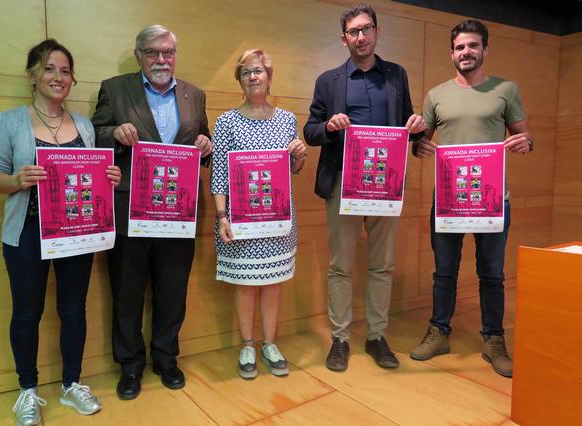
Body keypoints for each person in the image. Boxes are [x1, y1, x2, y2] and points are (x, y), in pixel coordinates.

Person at [0, 39, 121, 426]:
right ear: (33, 76)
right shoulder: (10, 121)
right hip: (26, 233)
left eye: (64, 71)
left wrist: (109, 176)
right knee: (27, 314)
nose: (57, 77)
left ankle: (71, 383)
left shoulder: (85, 125)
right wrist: (16, 179)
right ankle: (27, 390)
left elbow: (92, 177)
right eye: (48, 69)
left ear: (72, 80)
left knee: (73, 311)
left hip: (76, 231)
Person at [91, 24, 212, 398]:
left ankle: (165, 357)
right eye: (153, 52)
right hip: (130, 209)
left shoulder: (195, 94)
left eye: (168, 53)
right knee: (127, 292)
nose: (162, 59)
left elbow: (200, 143)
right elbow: (94, 134)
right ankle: (129, 366)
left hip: (179, 211)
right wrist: (114, 134)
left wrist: (205, 145)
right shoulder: (114, 88)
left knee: (173, 290)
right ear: (139, 55)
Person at [303, 3, 426, 372]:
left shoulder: (396, 75)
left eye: (366, 29)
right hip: (343, 181)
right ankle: (340, 339)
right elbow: (310, 131)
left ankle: (376, 336)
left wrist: (417, 128)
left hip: (384, 183)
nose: (361, 36)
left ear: (376, 32)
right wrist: (328, 127)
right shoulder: (328, 81)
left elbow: (406, 129)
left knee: (382, 265)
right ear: (344, 39)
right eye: (353, 31)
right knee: (340, 266)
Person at [410, 19, 534, 378]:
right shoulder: (435, 95)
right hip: (448, 199)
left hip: (493, 199)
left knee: (492, 274)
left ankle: (493, 340)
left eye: (473, 46)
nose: (466, 52)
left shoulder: (506, 90)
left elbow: (524, 138)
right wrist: (419, 147)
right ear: (452, 53)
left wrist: (527, 144)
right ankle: (439, 331)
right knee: (443, 272)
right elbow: (423, 142)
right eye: (460, 47)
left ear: (485, 49)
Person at [210, 49, 307, 379]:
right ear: (239, 80)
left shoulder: (288, 120)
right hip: (240, 220)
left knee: (274, 282)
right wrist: (222, 216)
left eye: (259, 71)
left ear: (270, 76)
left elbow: (293, 169)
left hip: (278, 220)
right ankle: (248, 344)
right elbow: (220, 172)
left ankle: (270, 343)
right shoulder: (226, 122)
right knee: (246, 284)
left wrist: (299, 155)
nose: (254, 76)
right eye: (246, 72)